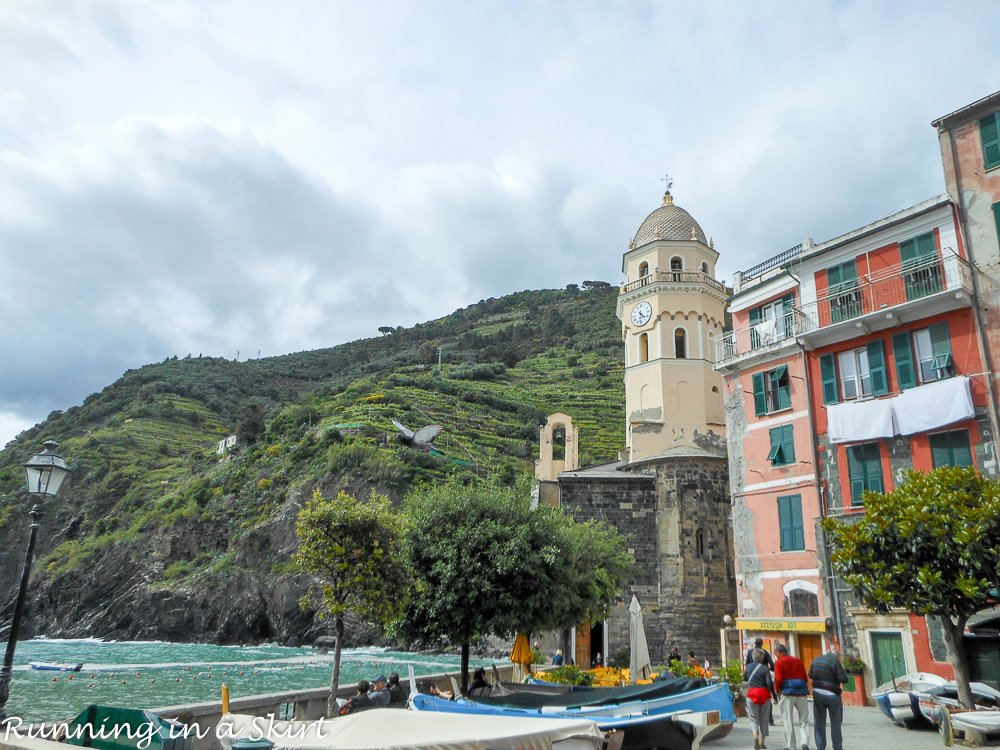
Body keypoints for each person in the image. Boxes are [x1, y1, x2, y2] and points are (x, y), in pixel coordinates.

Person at [808, 649, 849, 750]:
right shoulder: (835, 661)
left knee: (819, 722)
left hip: (818, 694)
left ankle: (820, 746)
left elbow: (810, 675)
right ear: (836, 655)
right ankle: (837, 747)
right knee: (836, 722)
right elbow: (843, 679)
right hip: (833, 694)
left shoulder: (816, 660)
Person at [773, 643, 810, 750]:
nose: (775, 655)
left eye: (775, 653)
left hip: (787, 693)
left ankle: (791, 745)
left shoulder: (779, 662)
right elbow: (804, 676)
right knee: (804, 719)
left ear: (779, 653)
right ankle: (805, 742)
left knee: (787, 719)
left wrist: (775, 690)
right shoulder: (797, 660)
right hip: (801, 692)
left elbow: (778, 679)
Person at [745, 648, 776, 750]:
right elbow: (769, 683)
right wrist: (774, 696)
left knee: (753, 718)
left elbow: (744, 682)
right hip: (764, 695)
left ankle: (755, 737)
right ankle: (762, 743)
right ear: (762, 657)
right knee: (764, 719)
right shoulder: (765, 668)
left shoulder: (748, 667)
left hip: (751, 694)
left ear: (753, 657)